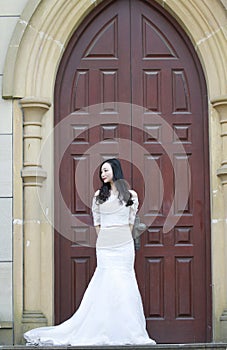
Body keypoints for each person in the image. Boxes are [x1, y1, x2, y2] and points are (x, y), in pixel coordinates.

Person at [24, 158, 156, 346]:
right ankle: (102, 328)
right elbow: (97, 223)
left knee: (125, 283)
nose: (103, 174)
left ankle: (128, 331)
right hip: (105, 245)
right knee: (105, 281)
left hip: (124, 245)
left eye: (106, 170)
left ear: (115, 171)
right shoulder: (98, 196)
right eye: (101, 171)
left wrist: (122, 239)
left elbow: (130, 221)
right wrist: (105, 240)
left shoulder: (131, 195)